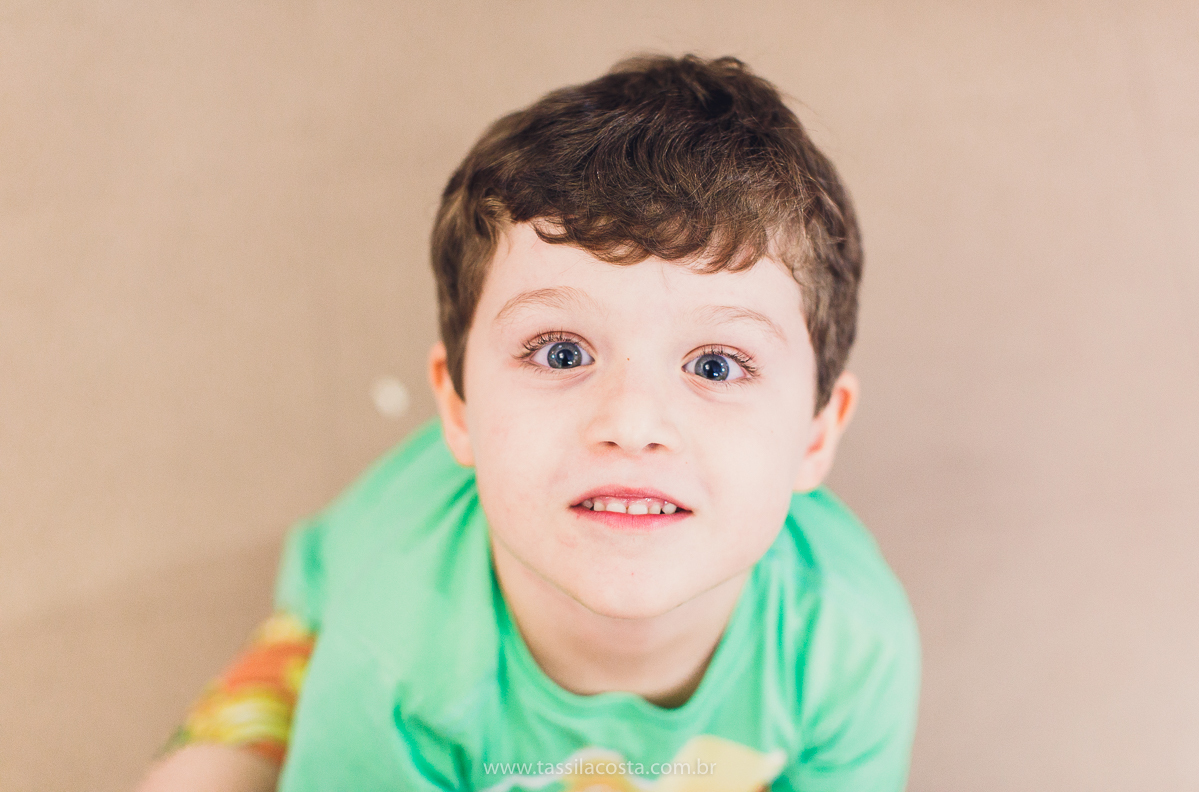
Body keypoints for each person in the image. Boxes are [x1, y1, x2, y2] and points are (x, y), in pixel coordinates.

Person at [137, 53, 920, 792]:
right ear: (458, 407)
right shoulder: (390, 653)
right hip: (335, 621)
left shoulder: (849, 645)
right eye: (561, 353)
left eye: (715, 366)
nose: (632, 423)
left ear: (817, 433)